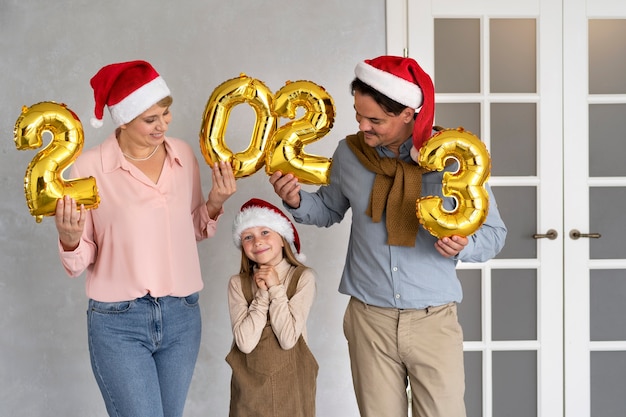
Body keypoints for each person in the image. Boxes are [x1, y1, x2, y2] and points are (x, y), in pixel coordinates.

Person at [269, 55, 507, 417]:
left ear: (409, 113)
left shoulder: (453, 158)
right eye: (358, 115)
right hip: (369, 320)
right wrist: (295, 199)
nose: (364, 127)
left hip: (432, 321)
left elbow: (493, 234)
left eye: (375, 120)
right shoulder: (349, 155)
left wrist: (464, 245)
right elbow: (329, 210)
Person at [53, 60, 237, 417]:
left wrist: (216, 201)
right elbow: (81, 260)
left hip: (182, 315)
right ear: (123, 120)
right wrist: (70, 238)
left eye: (166, 114)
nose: (163, 125)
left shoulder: (183, 155)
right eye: (150, 119)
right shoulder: (88, 168)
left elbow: (193, 229)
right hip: (119, 321)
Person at [226, 198, 318, 417]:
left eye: (265, 232)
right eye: (248, 237)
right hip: (249, 395)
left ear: (283, 239)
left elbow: (287, 339)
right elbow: (245, 344)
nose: (257, 241)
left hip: (293, 389)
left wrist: (276, 288)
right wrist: (261, 295)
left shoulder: (303, 278)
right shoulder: (237, 283)